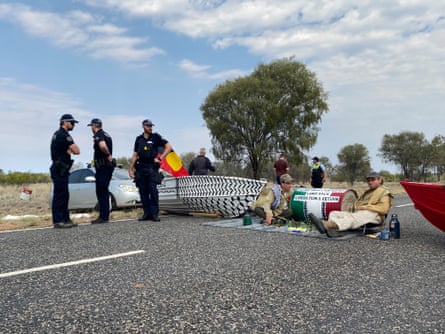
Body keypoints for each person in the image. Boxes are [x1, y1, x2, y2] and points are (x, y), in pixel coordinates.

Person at [308, 171, 393, 237]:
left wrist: (364, 207)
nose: (370, 182)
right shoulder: (367, 192)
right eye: (368, 180)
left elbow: (384, 209)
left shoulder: (384, 192)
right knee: (334, 213)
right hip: (359, 213)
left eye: (373, 180)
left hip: (375, 215)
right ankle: (334, 229)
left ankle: (327, 225)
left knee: (355, 217)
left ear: (379, 180)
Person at [129, 119, 172, 222]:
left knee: (153, 191)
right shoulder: (138, 139)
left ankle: (154, 214)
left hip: (152, 168)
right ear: (143, 126)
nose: (150, 127)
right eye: (148, 126)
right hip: (140, 168)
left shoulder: (156, 137)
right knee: (143, 192)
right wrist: (130, 168)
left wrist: (161, 158)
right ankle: (146, 213)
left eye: (151, 126)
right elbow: (135, 154)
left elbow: (168, 147)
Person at [50, 114, 80, 228]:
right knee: (60, 195)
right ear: (64, 122)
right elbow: (77, 151)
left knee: (64, 194)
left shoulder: (58, 134)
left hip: (61, 168)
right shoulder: (64, 134)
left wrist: (68, 150)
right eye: (72, 123)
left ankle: (65, 219)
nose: (73, 125)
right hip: (59, 168)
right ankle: (58, 220)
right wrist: (70, 149)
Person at [88, 118, 115, 224]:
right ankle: (105, 215)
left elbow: (102, 145)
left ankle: (103, 217)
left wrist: (108, 155)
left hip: (103, 167)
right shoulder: (107, 134)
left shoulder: (99, 134)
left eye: (91, 126)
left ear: (94, 126)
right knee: (104, 190)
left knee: (101, 191)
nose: (91, 128)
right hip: (106, 167)